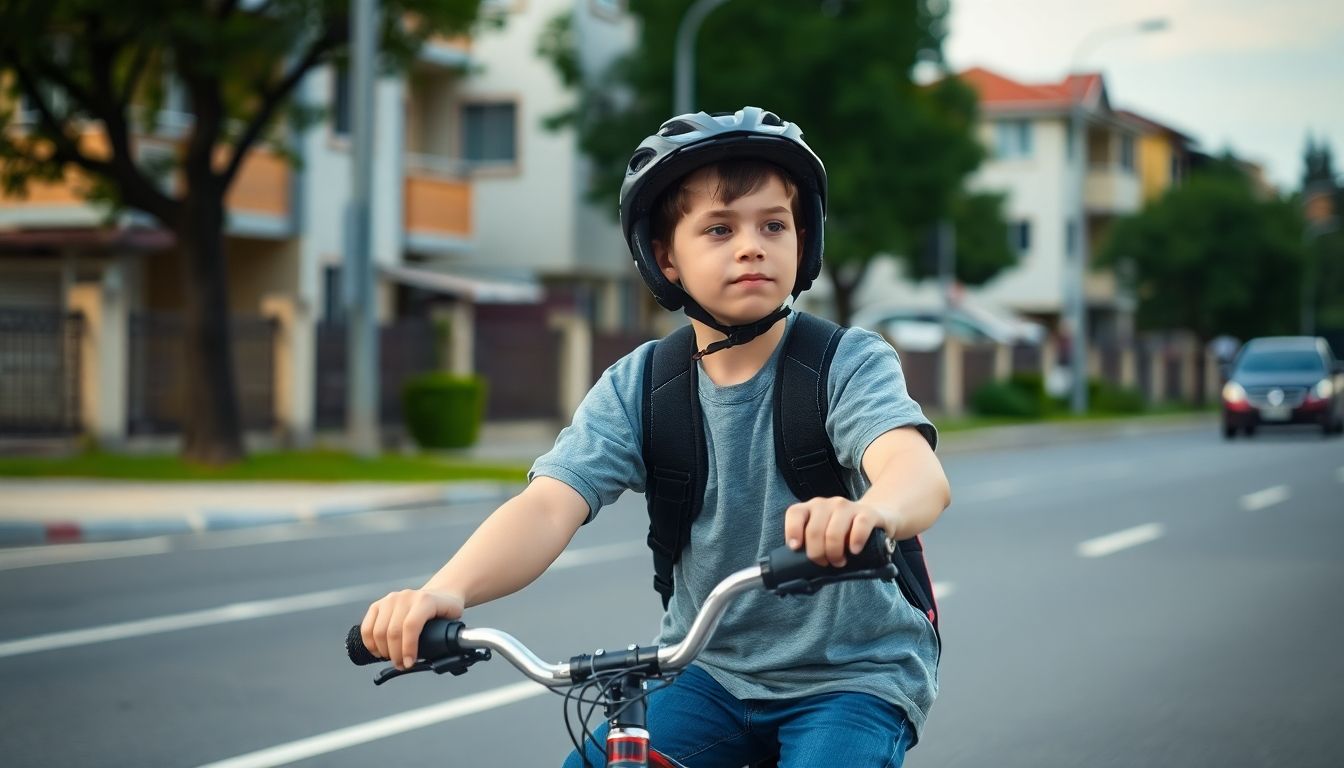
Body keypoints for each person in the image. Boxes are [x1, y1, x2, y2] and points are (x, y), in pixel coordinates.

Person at [360, 107, 951, 767]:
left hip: (851, 676)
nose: (751, 245)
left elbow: (915, 473)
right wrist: (447, 590)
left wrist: (869, 511)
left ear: (803, 242)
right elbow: (548, 505)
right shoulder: (642, 386)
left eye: (773, 225)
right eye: (720, 228)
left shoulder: (845, 362)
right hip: (710, 673)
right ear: (666, 256)